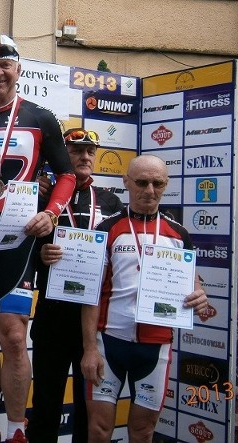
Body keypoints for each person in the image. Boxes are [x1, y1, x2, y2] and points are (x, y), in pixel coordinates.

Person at [0, 35, 76, 443]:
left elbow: (68, 174)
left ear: (18, 69)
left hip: (19, 238)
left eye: (5, 64)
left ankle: (17, 429)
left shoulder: (42, 118)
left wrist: (50, 212)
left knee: (12, 333)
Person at [74, 154, 208, 443]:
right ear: (126, 182)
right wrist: (88, 349)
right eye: (142, 182)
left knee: (143, 431)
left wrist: (199, 295)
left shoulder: (180, 235)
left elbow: (192, 282)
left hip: (155, 347)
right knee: (98, 429)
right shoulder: (107, 230)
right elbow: (91, 294)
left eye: (157, 183)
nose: (149, 190)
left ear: (166, 184)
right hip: (108, 344)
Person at [28, 128, 124, 443]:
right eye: (76, 151)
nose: (84, 157)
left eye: (90, 152)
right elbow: (19, 249)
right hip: (53, 312)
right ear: (63, 155)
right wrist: (40, 254)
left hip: (95, 317)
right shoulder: (43, 195)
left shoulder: (111, 201)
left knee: (89, 406)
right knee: (45, 402)